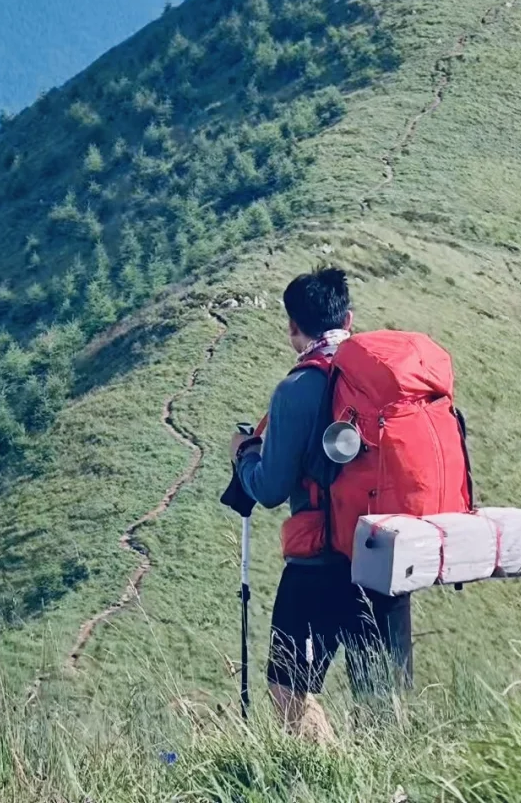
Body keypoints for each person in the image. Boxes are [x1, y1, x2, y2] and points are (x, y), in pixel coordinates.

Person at [229, 267, 413, 742]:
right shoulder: (387, 381)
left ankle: (331, 779)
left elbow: (268, 489)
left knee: (288, 686)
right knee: (380, 694)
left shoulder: (297, 389)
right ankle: (386, 788)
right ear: (348, 318)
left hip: (320, 562)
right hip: (387, 553)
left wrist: (245, 455)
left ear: (293, 327)